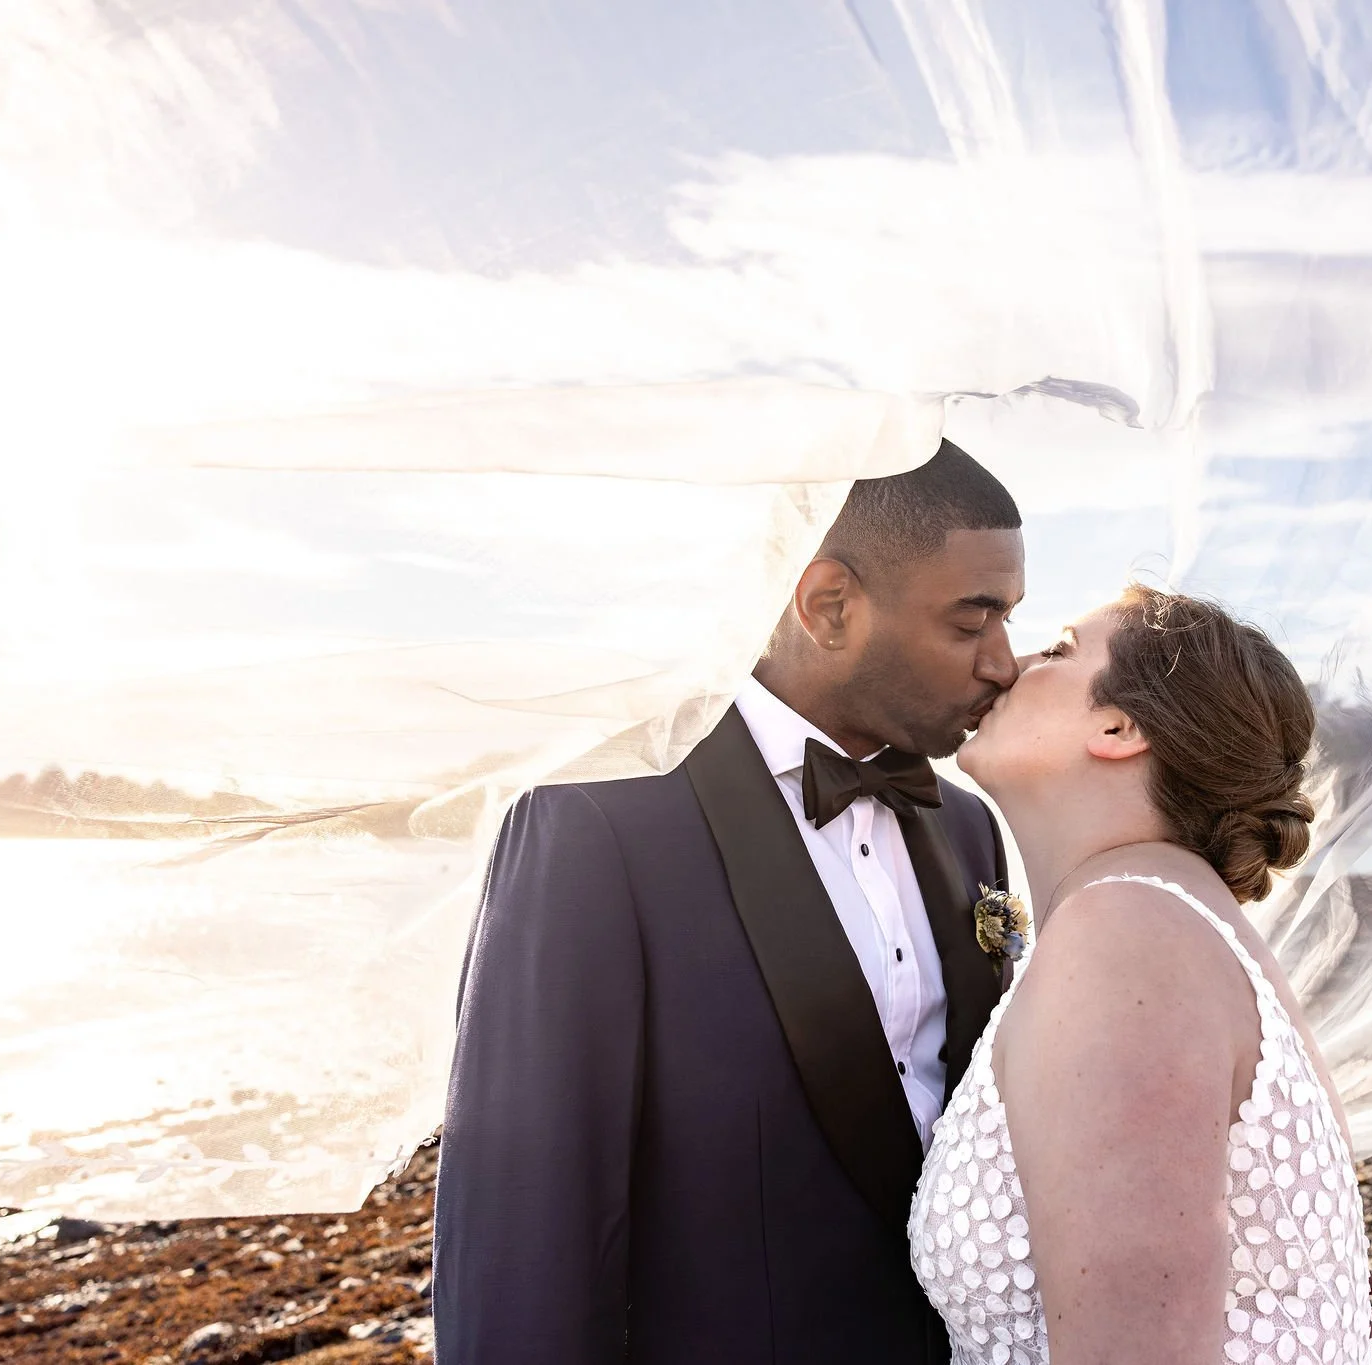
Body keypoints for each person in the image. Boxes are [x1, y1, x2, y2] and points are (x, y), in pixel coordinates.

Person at [434, 440, 1027, 1363]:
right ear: (830, 605)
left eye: (1011, 620)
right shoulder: (596, 816)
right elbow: (526, 1223)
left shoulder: (969, 828)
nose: (1006, 663)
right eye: (971, 622)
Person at [912, 585, 1372, 1365]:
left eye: (1059, 649)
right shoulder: (1172, 920)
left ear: (1120, 725)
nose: (1010, 663)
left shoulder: (1124, 936)